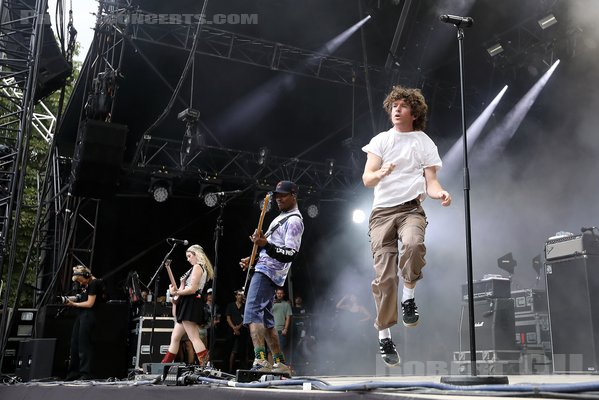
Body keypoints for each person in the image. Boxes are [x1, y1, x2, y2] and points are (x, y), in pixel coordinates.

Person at [361, 85, 452, 367]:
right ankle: (385, 338)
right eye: (393, 106)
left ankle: (409, 298)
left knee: (413, 244)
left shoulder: (423, 142)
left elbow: (431, 180)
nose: (397, 109)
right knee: (385, 279)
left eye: (402, 105)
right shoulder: (381, 140)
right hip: (381, 214)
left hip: (411, 208)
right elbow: (367, 179)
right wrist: (382, 171)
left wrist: (439, 193)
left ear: (414, 112)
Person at [240, 180, 304, 374]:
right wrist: (252, 257)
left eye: (283, 195)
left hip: (268, 272)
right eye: (276, 196)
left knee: (252, 313)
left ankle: (260, 360)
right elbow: (268, 246)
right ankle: (280, 363)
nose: (278, 199)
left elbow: (290, 254)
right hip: (265, 268)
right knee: (267, 321)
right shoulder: (281, 218)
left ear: (294, 195)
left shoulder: (294, 220)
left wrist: (265, 245)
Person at [161, 244, 214, 366]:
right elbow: (184, 288)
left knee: (194, 337)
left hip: (191, 302)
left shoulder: (197, 267)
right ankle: (165, 365)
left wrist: (176, 292)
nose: (188, 259)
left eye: (189, 256)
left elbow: (193, 289)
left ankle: (206, 365)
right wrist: (177, 291)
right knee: (175, 337)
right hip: (189, 302)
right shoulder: (196, 268)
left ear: (196, 255)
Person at [65, 265, 106, 380]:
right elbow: (82, 298)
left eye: (80, 280)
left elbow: (90, 303)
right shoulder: (87, 285)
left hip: (89, 315)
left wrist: (74, 304)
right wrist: (69, 299)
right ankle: (73, 373)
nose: (80, 283)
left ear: (86, 275)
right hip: (82, 315)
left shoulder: (94, 283)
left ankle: (86, 373)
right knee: (75, 343)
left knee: (84, 345)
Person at [225, 289, 250, 372]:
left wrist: (238, 327)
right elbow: (228, 318)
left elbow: (246, 318)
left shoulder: (245, 306)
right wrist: (234, 328)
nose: (240, 296)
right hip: (231, 331)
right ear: (236, 296)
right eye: (238, 295)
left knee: (243, 350)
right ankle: (229, 370)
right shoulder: (231, 305)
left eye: (241, 295)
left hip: (242, 330)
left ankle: (244, 370)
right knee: (231, 350)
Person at [271, 287, 292, 359]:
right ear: (275, 294)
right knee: (270, 351)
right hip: (271, 330)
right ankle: (270, 369)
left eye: (281, 293)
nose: (279, 295)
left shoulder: (286, 304)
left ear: (283, 294)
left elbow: (288, 318)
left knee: (281, 350)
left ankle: (281, 368)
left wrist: (285, 329)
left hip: (281, 330)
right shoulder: (271, 304)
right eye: (278, 293)